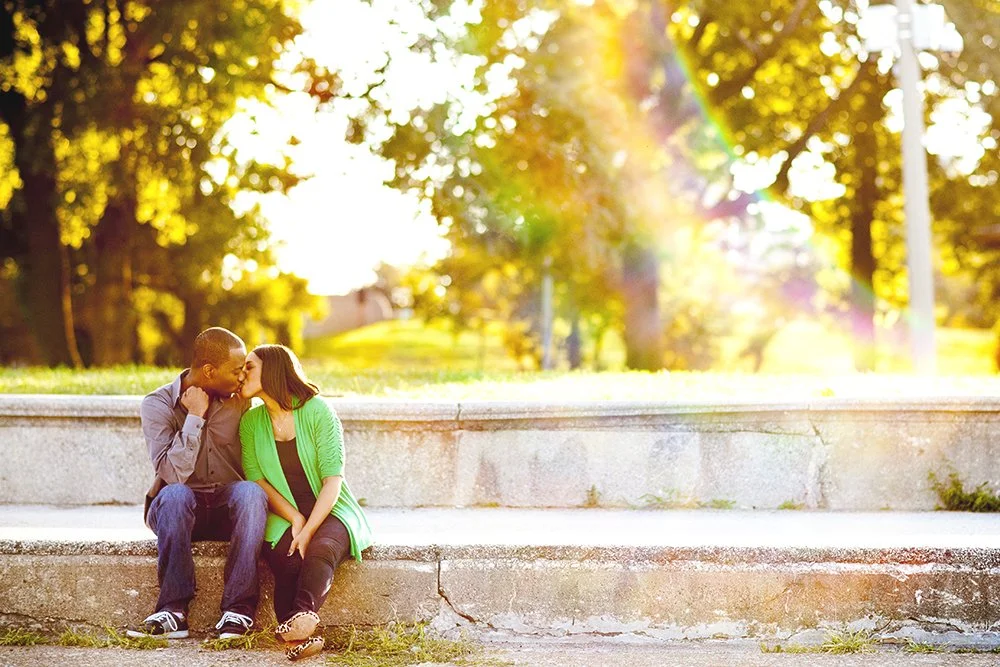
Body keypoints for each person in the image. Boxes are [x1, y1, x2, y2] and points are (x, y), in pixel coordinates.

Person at [128, 327, 268, 640]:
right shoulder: (158, 404)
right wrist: (195, 416)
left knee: (251, 493)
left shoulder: (240, 402)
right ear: (209, 371)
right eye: (235, 371)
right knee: (177, 493)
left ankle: (238, 610)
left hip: (225, 509)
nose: (240, 379)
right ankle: (173, 611)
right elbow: (173, 473)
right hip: (175, 511)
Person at [238, 344, 373, 661]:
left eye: (249, 367)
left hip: (331, 510)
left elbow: (332, 480)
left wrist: (310, 528)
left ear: (271, 371)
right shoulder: (250, 422)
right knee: (288, 560)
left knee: (320, 550)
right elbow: (256, 479)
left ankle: (300, 621)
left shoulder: (318, 411)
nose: (241, 373)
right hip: (283, 515)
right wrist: (296, 520)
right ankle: (299, 634)